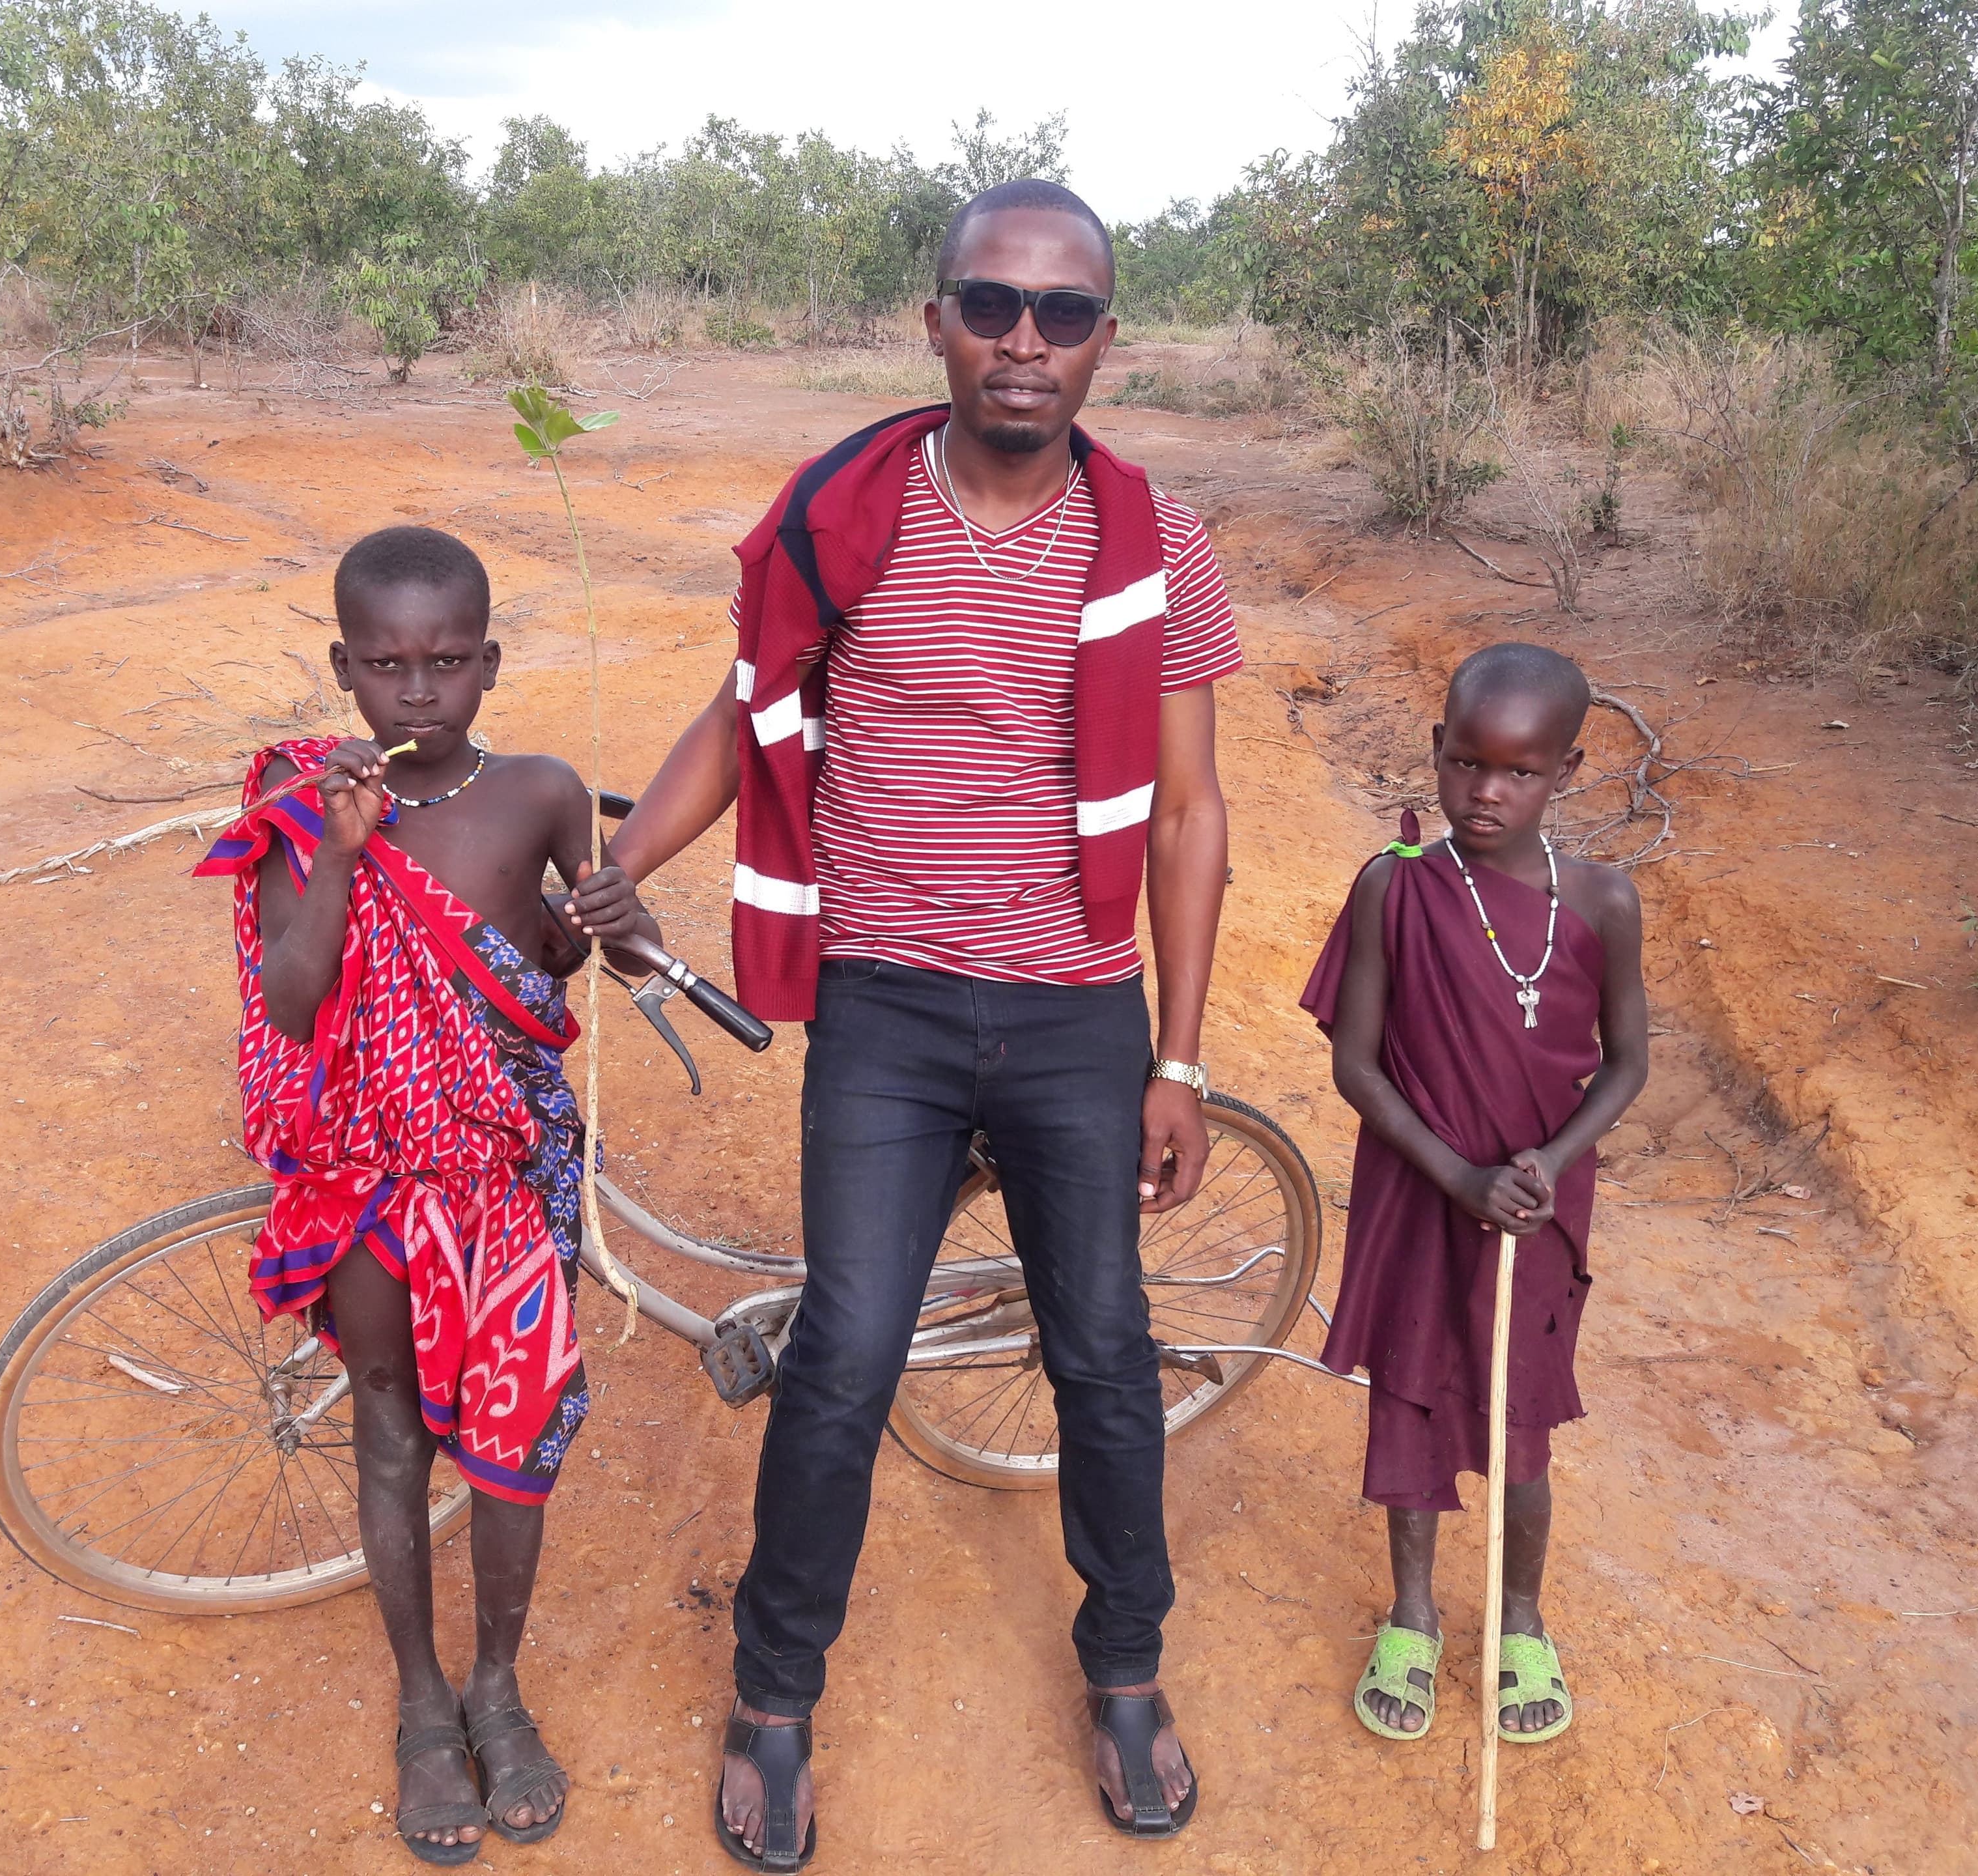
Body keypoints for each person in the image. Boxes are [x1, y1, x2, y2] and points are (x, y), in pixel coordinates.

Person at [566, 178, 1239, 1866]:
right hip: (888, 1012)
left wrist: (1180, 1055)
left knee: (1101, 1352)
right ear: (933, 321)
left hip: (1082, 1009)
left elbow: (1188, 812)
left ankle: (1128, 1667)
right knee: (847, 1355)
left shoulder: (1154, 540)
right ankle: (775, 1695)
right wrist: (620, 862)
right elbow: (746, 721)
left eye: (1064, 313)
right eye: (991, 305)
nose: (1026, 342)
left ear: (1105, 341)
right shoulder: (841, 514)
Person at [195, 525, 662, 1864]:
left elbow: (586, 964)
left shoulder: (543, 792)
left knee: (512, 1441)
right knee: (393, 1428)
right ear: (342, 666)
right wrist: (339, 853)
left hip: (506, 1174)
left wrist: (621, 932)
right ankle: (419, 1704)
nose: (418, 692)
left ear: (490, 663)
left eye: (448, 662)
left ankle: (499, 1689)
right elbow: (291, 999)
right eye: (388, 664)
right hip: (372, 1183)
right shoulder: (304, 808)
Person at [1298, 642, 1650, 1748]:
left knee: (1522, 1416)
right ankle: (1411, 1614)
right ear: (1438, 753)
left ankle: (1521, 1617)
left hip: (1536, 1211)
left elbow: (1627, 1061)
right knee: (1410, 1393)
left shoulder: (1604, 900)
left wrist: (1551, 1160)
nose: (1485, 793)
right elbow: (1357, 1064)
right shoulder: (1395, 887)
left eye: (1519, 772)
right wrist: (1456, 1173)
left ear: (1567, 769)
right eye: (1464, 764)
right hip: (1420, 1189)